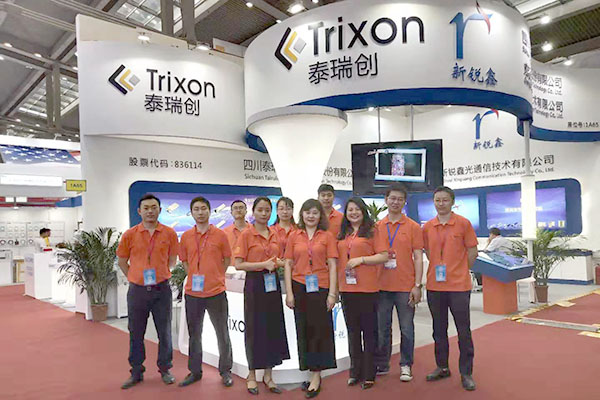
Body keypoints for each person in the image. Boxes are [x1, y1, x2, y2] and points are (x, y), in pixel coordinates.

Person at [116, 194, 179, 389]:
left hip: (162, 289)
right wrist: (135, 276)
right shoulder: (130, 234)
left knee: (164, 332)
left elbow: (172, 260)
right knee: (136, 332)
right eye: (146, 208)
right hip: (138, 291)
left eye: (154, 207)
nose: (150, 211)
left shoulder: (169, 233)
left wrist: (161, 272)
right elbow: (122, 261)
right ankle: (136, 371)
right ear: (139, 211)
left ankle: (165, 369)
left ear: (160, 210)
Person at [423, 186, 478, 391]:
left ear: (452, 202)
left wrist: (460, 270)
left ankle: (466, 372)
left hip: (459, 286)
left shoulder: (463, 223)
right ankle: (442, 366)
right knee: (438, 329)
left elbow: (472, 251)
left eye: (445, 200)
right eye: (437, 200)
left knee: (463, 330)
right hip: (435, 286)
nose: (441, 204)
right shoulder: (428, 226)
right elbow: (427, 251)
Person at [234, 197, 290, 395]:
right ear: (254, 212)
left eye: (267, 210)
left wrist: (280, 263)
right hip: (255, 283)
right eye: (260, 210)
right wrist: (263, 264)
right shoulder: (246, 234)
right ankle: (251, 375)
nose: (264, 213)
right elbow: (239, 264)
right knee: (254, 328)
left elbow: (279, 257)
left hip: (272, 282)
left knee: (272, 327)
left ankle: (268, 375)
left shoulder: (274, 233)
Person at [284, 199, 338, 398]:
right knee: (303, 329)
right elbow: (288, 264)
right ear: (302, 215)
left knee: (319, 330)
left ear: (320, 215)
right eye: (307, 212)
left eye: (315, 212)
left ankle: (316, 375)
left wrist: (332, 293)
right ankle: (309, 369)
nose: (311, 216)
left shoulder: (327, 236)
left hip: (321, 287)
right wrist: (289, 292)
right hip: (299, 286)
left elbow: (333, 265)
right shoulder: (294, 235)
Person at [178, 196, 234, 388]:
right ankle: (195, 371)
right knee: (195, 334)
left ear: (210, 211)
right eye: (196, 209)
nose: (200, 212)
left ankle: (225, 370)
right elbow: (185, 261)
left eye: (203, 208)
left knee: (222, 332)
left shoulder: (220, 235)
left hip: (216, 292)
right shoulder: (186, 236)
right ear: (192, 213)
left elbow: (227, 260)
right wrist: (194, 275)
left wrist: (216, 275)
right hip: (193, 293)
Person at [337, 197, 388, 390]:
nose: (354, 213)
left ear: (363, 211)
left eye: (357, 209)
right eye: (350, 210)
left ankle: (369, 373)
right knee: (352, 332)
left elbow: (384, 256)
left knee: (369, 332)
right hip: (346, 289)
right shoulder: (343, 233)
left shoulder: (373, 231)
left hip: (367, 289)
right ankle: (355, 371)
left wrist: (362, 260)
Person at [374, 185, 424, 382]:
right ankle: (382, 363)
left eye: (400, 199)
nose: (395, 202)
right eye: (392, 198)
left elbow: (418, 257)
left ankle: (406, 364)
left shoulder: (413, 227)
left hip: (405, 286)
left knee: (406, 328)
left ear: (404, 202)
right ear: (386, 200)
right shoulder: (377, 226)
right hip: (381, 286)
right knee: (382, 328)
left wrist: (417, 285)